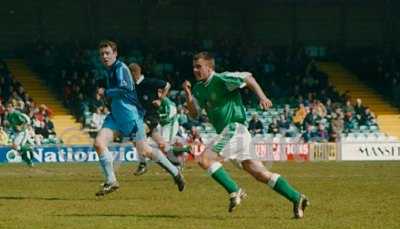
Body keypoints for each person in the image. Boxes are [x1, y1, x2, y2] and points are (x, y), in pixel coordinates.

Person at [182, 52, 309, 218]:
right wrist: (188, 94)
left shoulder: (222, 79)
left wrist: (262, 97)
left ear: (209, 67)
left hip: (234, 128)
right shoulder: (198, 88)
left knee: (205, 159)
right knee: (259, 173)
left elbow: (249, 78)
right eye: (194, 67)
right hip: (233, 133)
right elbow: (194, 114)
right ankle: (297, 197)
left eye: (199, 66)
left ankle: (235, 190)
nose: (195, 70)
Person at [94, 40, 184, 196]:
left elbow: (125, 89)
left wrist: (106, 92)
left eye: (108, 53)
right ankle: (111, 181)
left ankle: (175, 172)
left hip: (130, 118)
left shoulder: (121, 68)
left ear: (115, 54)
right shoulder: (109, 71)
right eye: (102, 54)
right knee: (98, 144)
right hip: (115, 117)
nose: (104, 56)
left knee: (145, 151)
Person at [129, 63, 189, 175]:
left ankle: (143, 164)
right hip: (142, 117)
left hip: (151, 117)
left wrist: (161, 99)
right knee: (162, 144)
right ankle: (176, 164)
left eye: (128, 74)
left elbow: (167, 85)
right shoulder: (133, 86)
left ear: (133, 73)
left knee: (136, 134)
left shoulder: (149, 82)